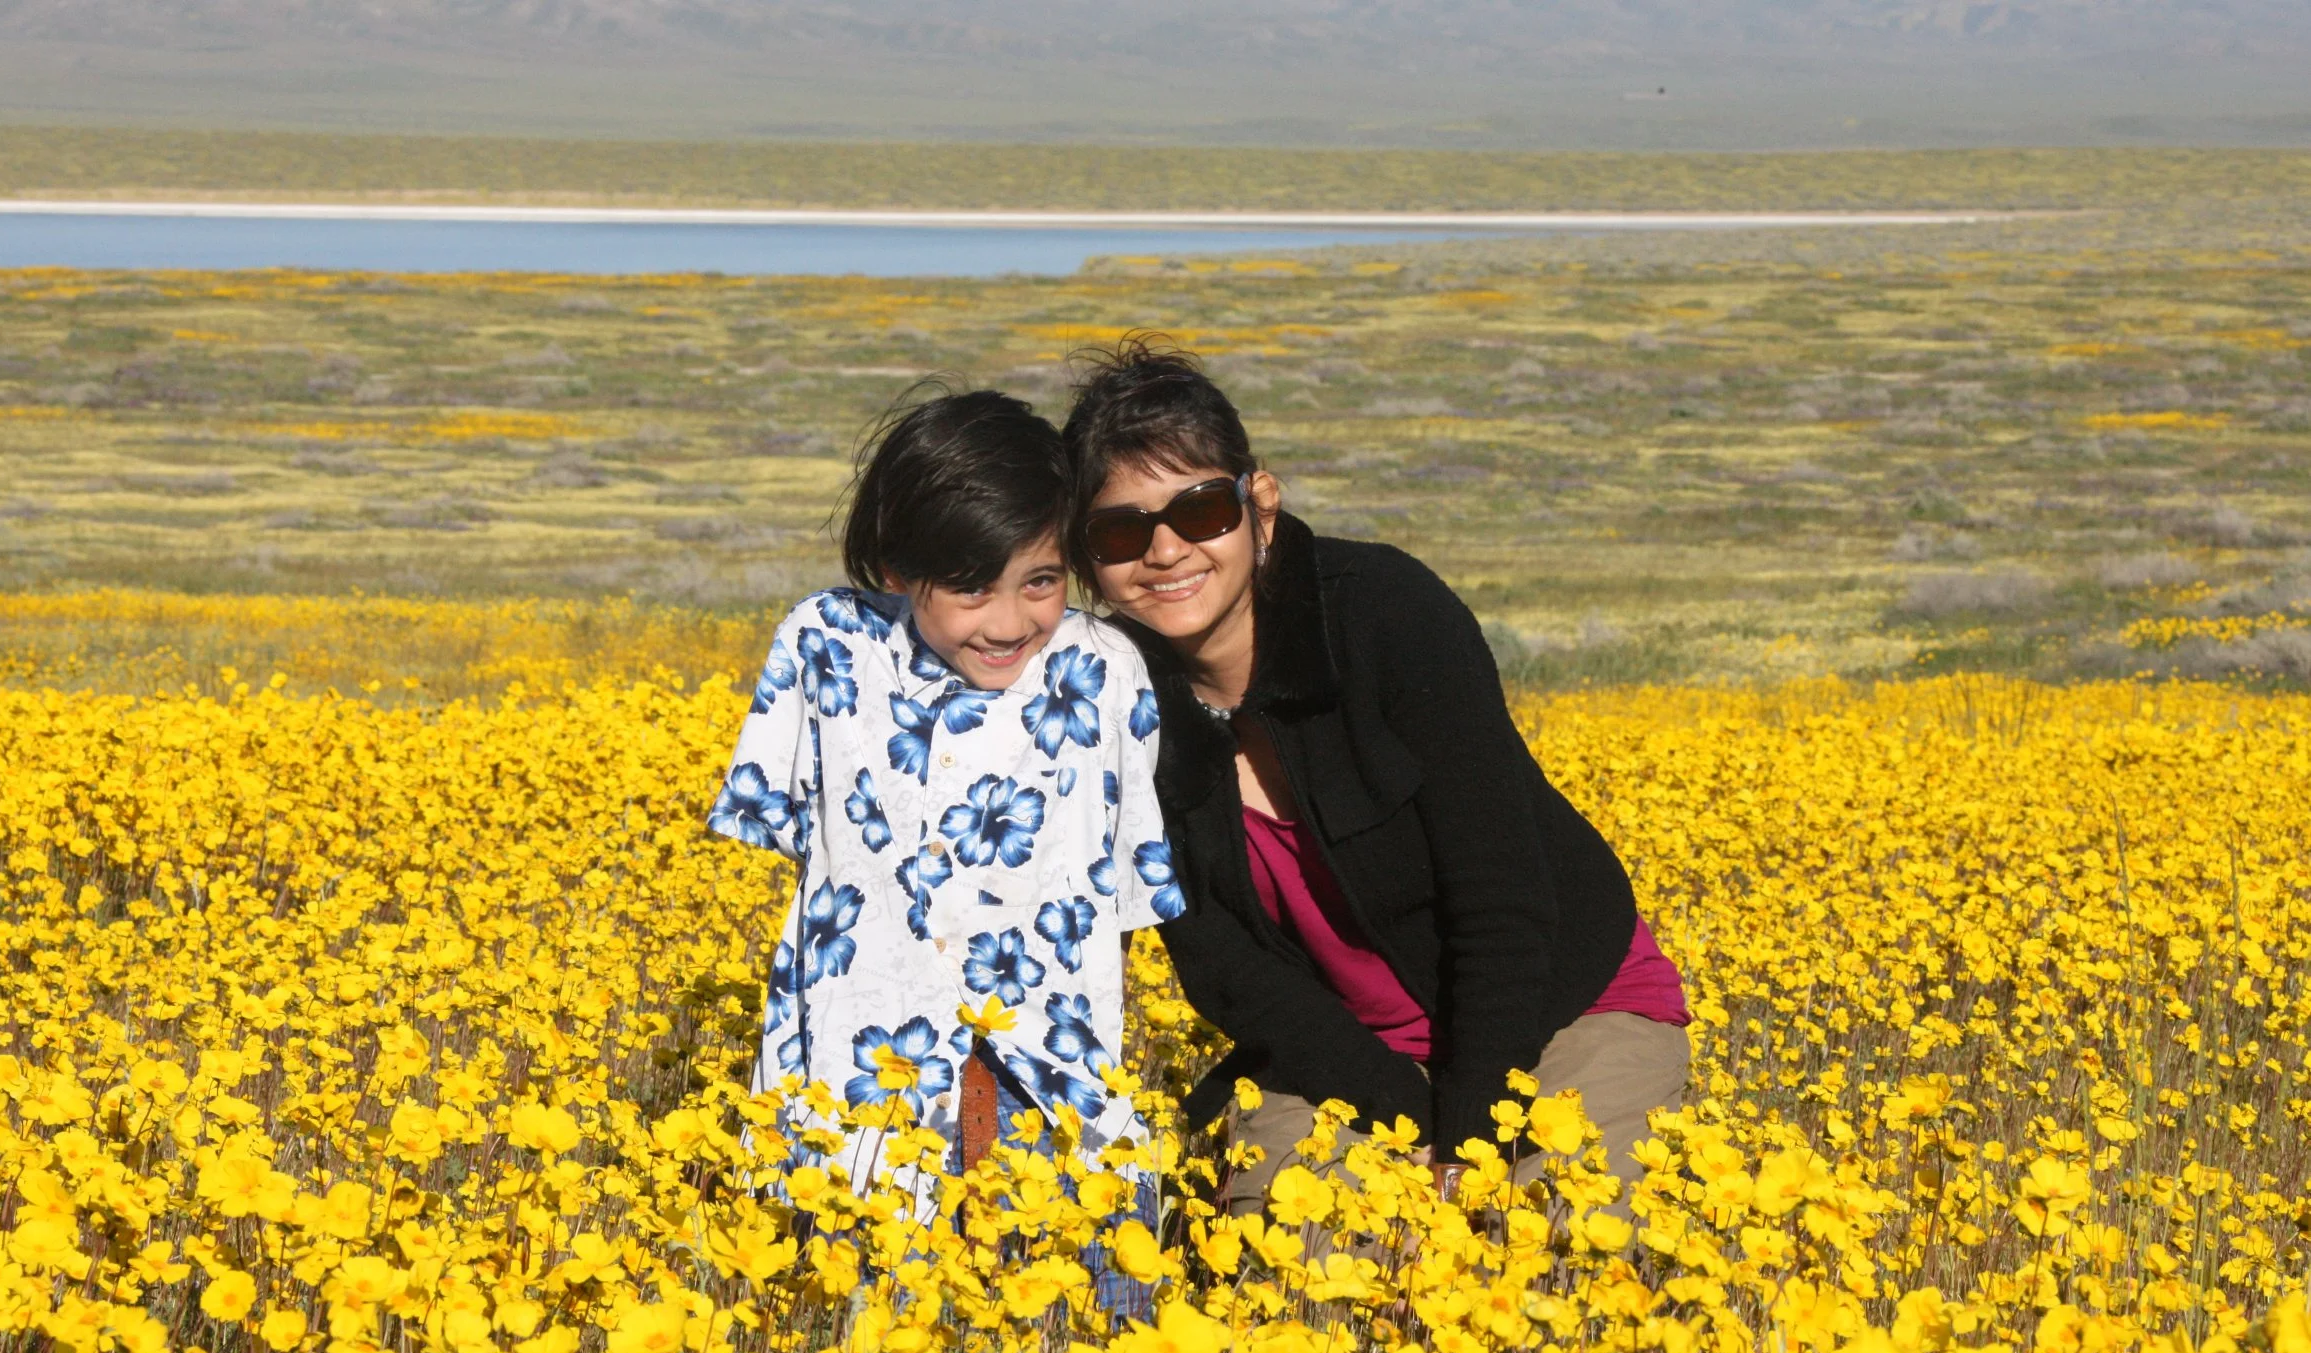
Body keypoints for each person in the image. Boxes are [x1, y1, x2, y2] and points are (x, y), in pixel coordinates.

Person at [1059, 341, 1690, 1213]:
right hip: (1351, 1054)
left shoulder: (1380, 613)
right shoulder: (1108, 699)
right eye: (1122, 530)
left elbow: (1502, 895)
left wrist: (1466, 1139)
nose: (1165, 551)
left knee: (1564, 1254)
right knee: (1299, 1270)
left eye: (1200, 510)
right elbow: (1225, 970)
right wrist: (1411, 1124)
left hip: (1560, 1005)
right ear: (1087, 557)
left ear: (1260, 505)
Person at [707, 386, 1184, 1256]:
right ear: (897, 569)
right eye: (969, 587)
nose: (1010, 621)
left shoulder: (1104, 669)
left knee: (1070, 1345)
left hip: (1051, 1083)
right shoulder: (823, 647)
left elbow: (1119, 893)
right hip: (858, 1088)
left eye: (1039, 581)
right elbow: (795, 853)